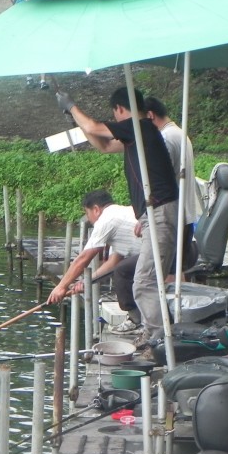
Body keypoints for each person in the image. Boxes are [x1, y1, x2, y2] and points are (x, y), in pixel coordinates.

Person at [55, 87, 178, 349]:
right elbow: (104, 145)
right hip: (152, 215)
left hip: (159, 213)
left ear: (120, 109)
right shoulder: (140, 135)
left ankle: (159, 340)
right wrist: (77, 122)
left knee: (144, 282)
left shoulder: (139, 126)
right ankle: (157, 335)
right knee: (146, 280)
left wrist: (71, 106)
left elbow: (95, 127)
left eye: (115, 114)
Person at [45, 189, 143, 333]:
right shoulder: (121, 214)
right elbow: (113, 262)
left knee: (122, 271)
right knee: (121, 267)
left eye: (87, 213)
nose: (88, 218)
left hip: (159, 255)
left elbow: (83, 258)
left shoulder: (106, 219)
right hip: (160, 252)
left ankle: (136, 320)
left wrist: (61, 287)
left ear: (96, 209)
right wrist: (87, 281)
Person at [143, 96, 200, 273]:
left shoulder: (165, 138)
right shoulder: (180, 134)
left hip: (173, 217)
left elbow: (160, 181)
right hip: (186, 214)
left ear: (150, 115)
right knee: (176, 271)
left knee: (167, 272)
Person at [12, 0, 49, 90]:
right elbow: (16, 10)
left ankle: (43, 80)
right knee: (28, 51)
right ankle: (29, 77)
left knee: (42, 52)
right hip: (27, 28)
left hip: (41, 27)